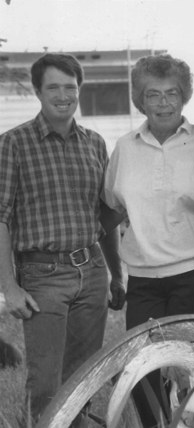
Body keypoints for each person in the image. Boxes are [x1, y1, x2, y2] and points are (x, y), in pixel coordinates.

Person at [0, 53, 125, 427]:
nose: (63, 95)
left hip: (92, 270)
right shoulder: (13, 144)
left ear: (79, 91)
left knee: (84, 377)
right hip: (42, 275)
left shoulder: (95, 143)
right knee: (46, 383)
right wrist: (9, 288)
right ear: (38, 91)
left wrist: (116, 275)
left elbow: (105, 218)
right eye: (53, 87)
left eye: (70, 87)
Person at [104, 53, 194, 427]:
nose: (163, 102)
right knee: (141, 373)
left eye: (172, 93)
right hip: (143, 282)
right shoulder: (125, 147)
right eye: (153, 94)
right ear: (141, 100)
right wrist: (115, 273)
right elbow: (112, 208)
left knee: (193, 373)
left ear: (184, 96)